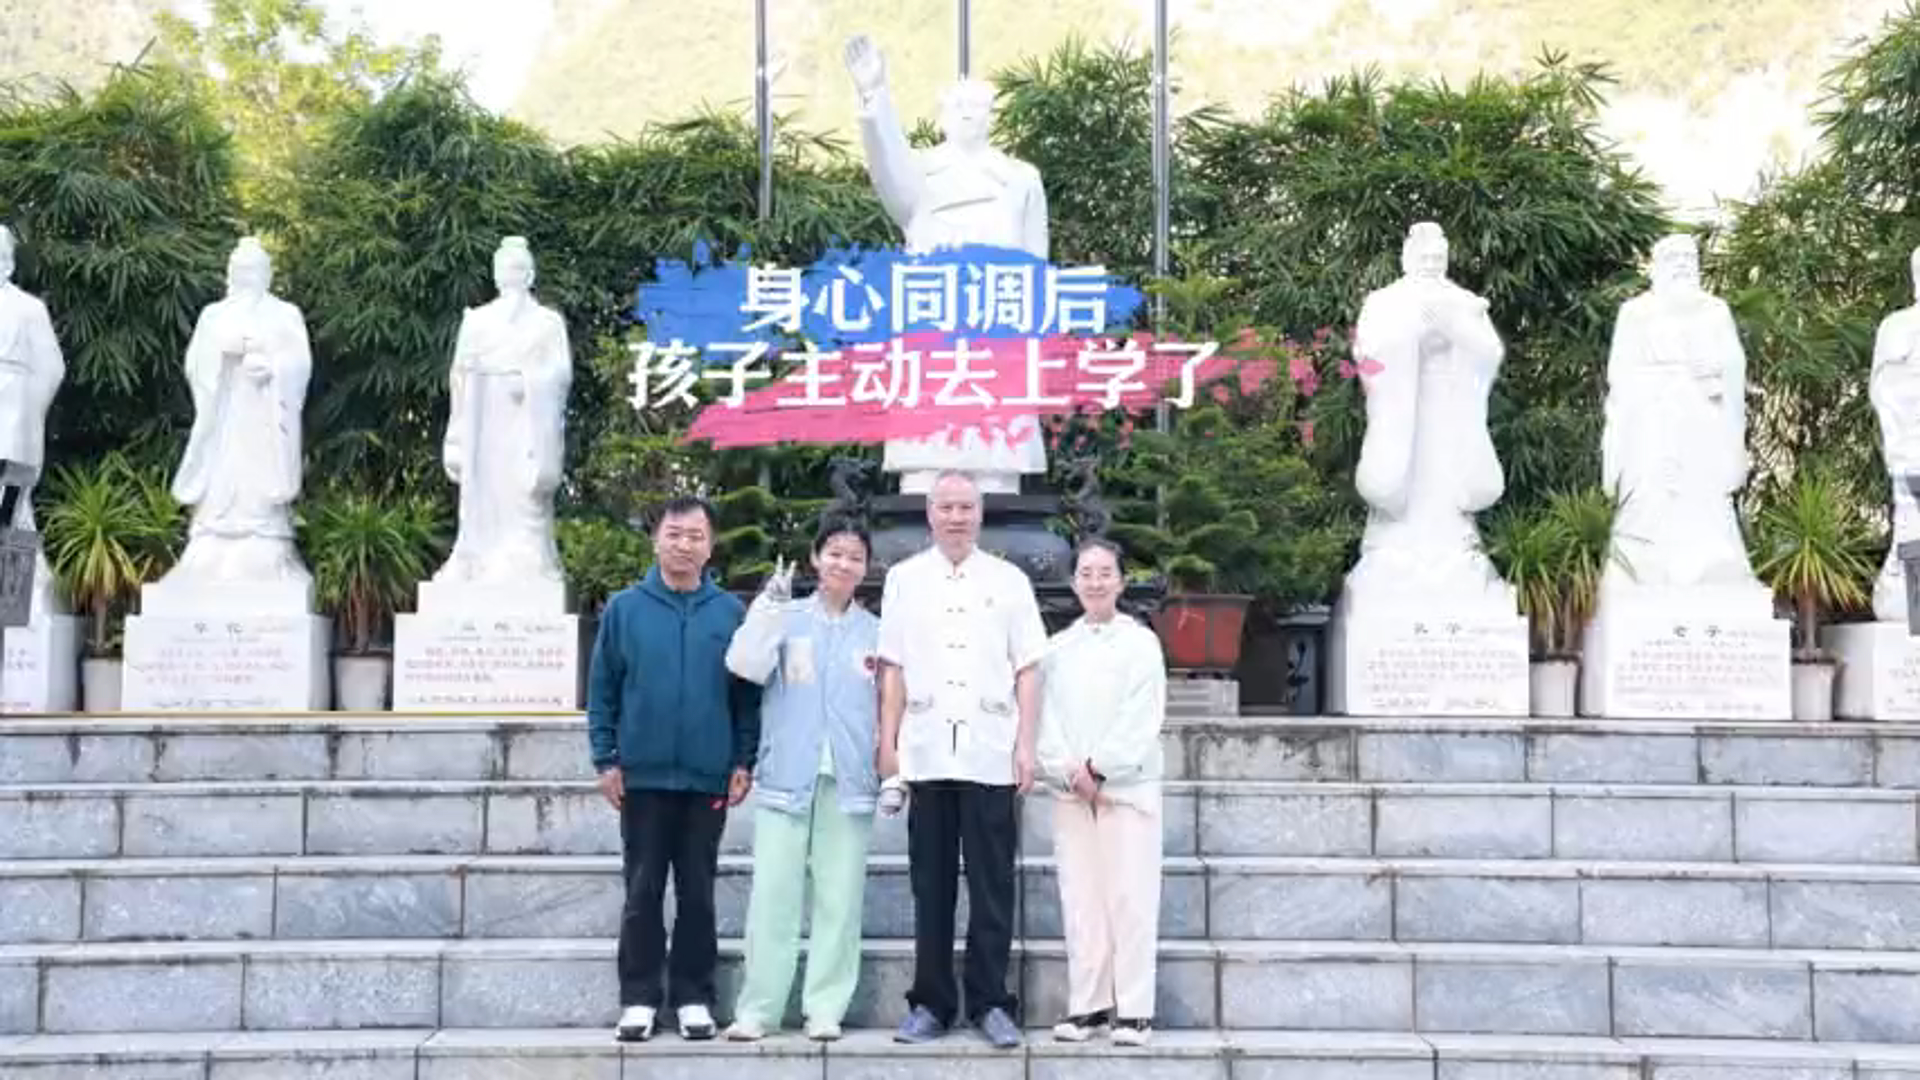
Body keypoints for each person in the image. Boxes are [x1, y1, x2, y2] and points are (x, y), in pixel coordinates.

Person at [877, 469, 1048, 1048]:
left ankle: (990, 1001)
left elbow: (1028, 668)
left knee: (993, 884)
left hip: (989, 751)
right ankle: (931, 1003)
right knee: (931, 887)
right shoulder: (903, 580)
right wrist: (888, 742)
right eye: (946, 506)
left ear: (980, 513)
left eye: (966, 507)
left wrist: (1026, 744)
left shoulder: (1009, 581)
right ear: (930, 513)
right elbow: (893, 668)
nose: (956, 517)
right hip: (925, 750)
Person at [587, 495, 762, 1043]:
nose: (684, 545)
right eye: (675, 534)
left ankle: (693, 997)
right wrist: (605, 758)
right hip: (641, 777)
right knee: (641, 890)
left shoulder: (729, 613)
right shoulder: (625, 609)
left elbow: (746, 696)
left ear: (710, 546)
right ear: (656, 539)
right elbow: (602, 689)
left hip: (707, 776)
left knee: (698, 891)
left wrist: (743, 758)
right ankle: (639, 998)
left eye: (695, 536)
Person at [722, 515, 883, 1043]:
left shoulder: (875, 632)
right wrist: (766, 610)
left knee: (840, 899)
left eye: (854, 556)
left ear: (866, 567)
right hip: (786, 775)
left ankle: (825, 1007)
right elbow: (743, 665)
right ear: (815, 557)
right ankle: (759, 1010)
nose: (843, 563)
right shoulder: (785, 617)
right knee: (773, 896)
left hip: (849, 780)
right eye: (834, 552)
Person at [1036, 538, 1166, 1047]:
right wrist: (1068, 769)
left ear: (1121, 581)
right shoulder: (1057, 648)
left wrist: (1100, 768)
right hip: (1072, 790)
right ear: (1073, 583)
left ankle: (1134, 1010)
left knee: (1131, 897)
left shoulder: (1141, 643)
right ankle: (1088, 1005)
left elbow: (1141, 715)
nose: (1095, 582)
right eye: (1086, 573)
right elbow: (1043, 716)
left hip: (1125, 789)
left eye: (1105, 572)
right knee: (1082, 899)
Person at [430, 236, 572, 592]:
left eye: (519, 268)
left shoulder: (547, 322)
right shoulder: (477, 321)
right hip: (484, 420)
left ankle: (527, 559)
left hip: (527, 421)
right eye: (505, 268)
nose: (512, 274)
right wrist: (459, 431)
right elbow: (459, 375)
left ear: (530, 274)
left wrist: (529, 381)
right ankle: (475, 557)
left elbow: (561, 373)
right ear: (495, 275)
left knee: (525, 491)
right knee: (482, 491)